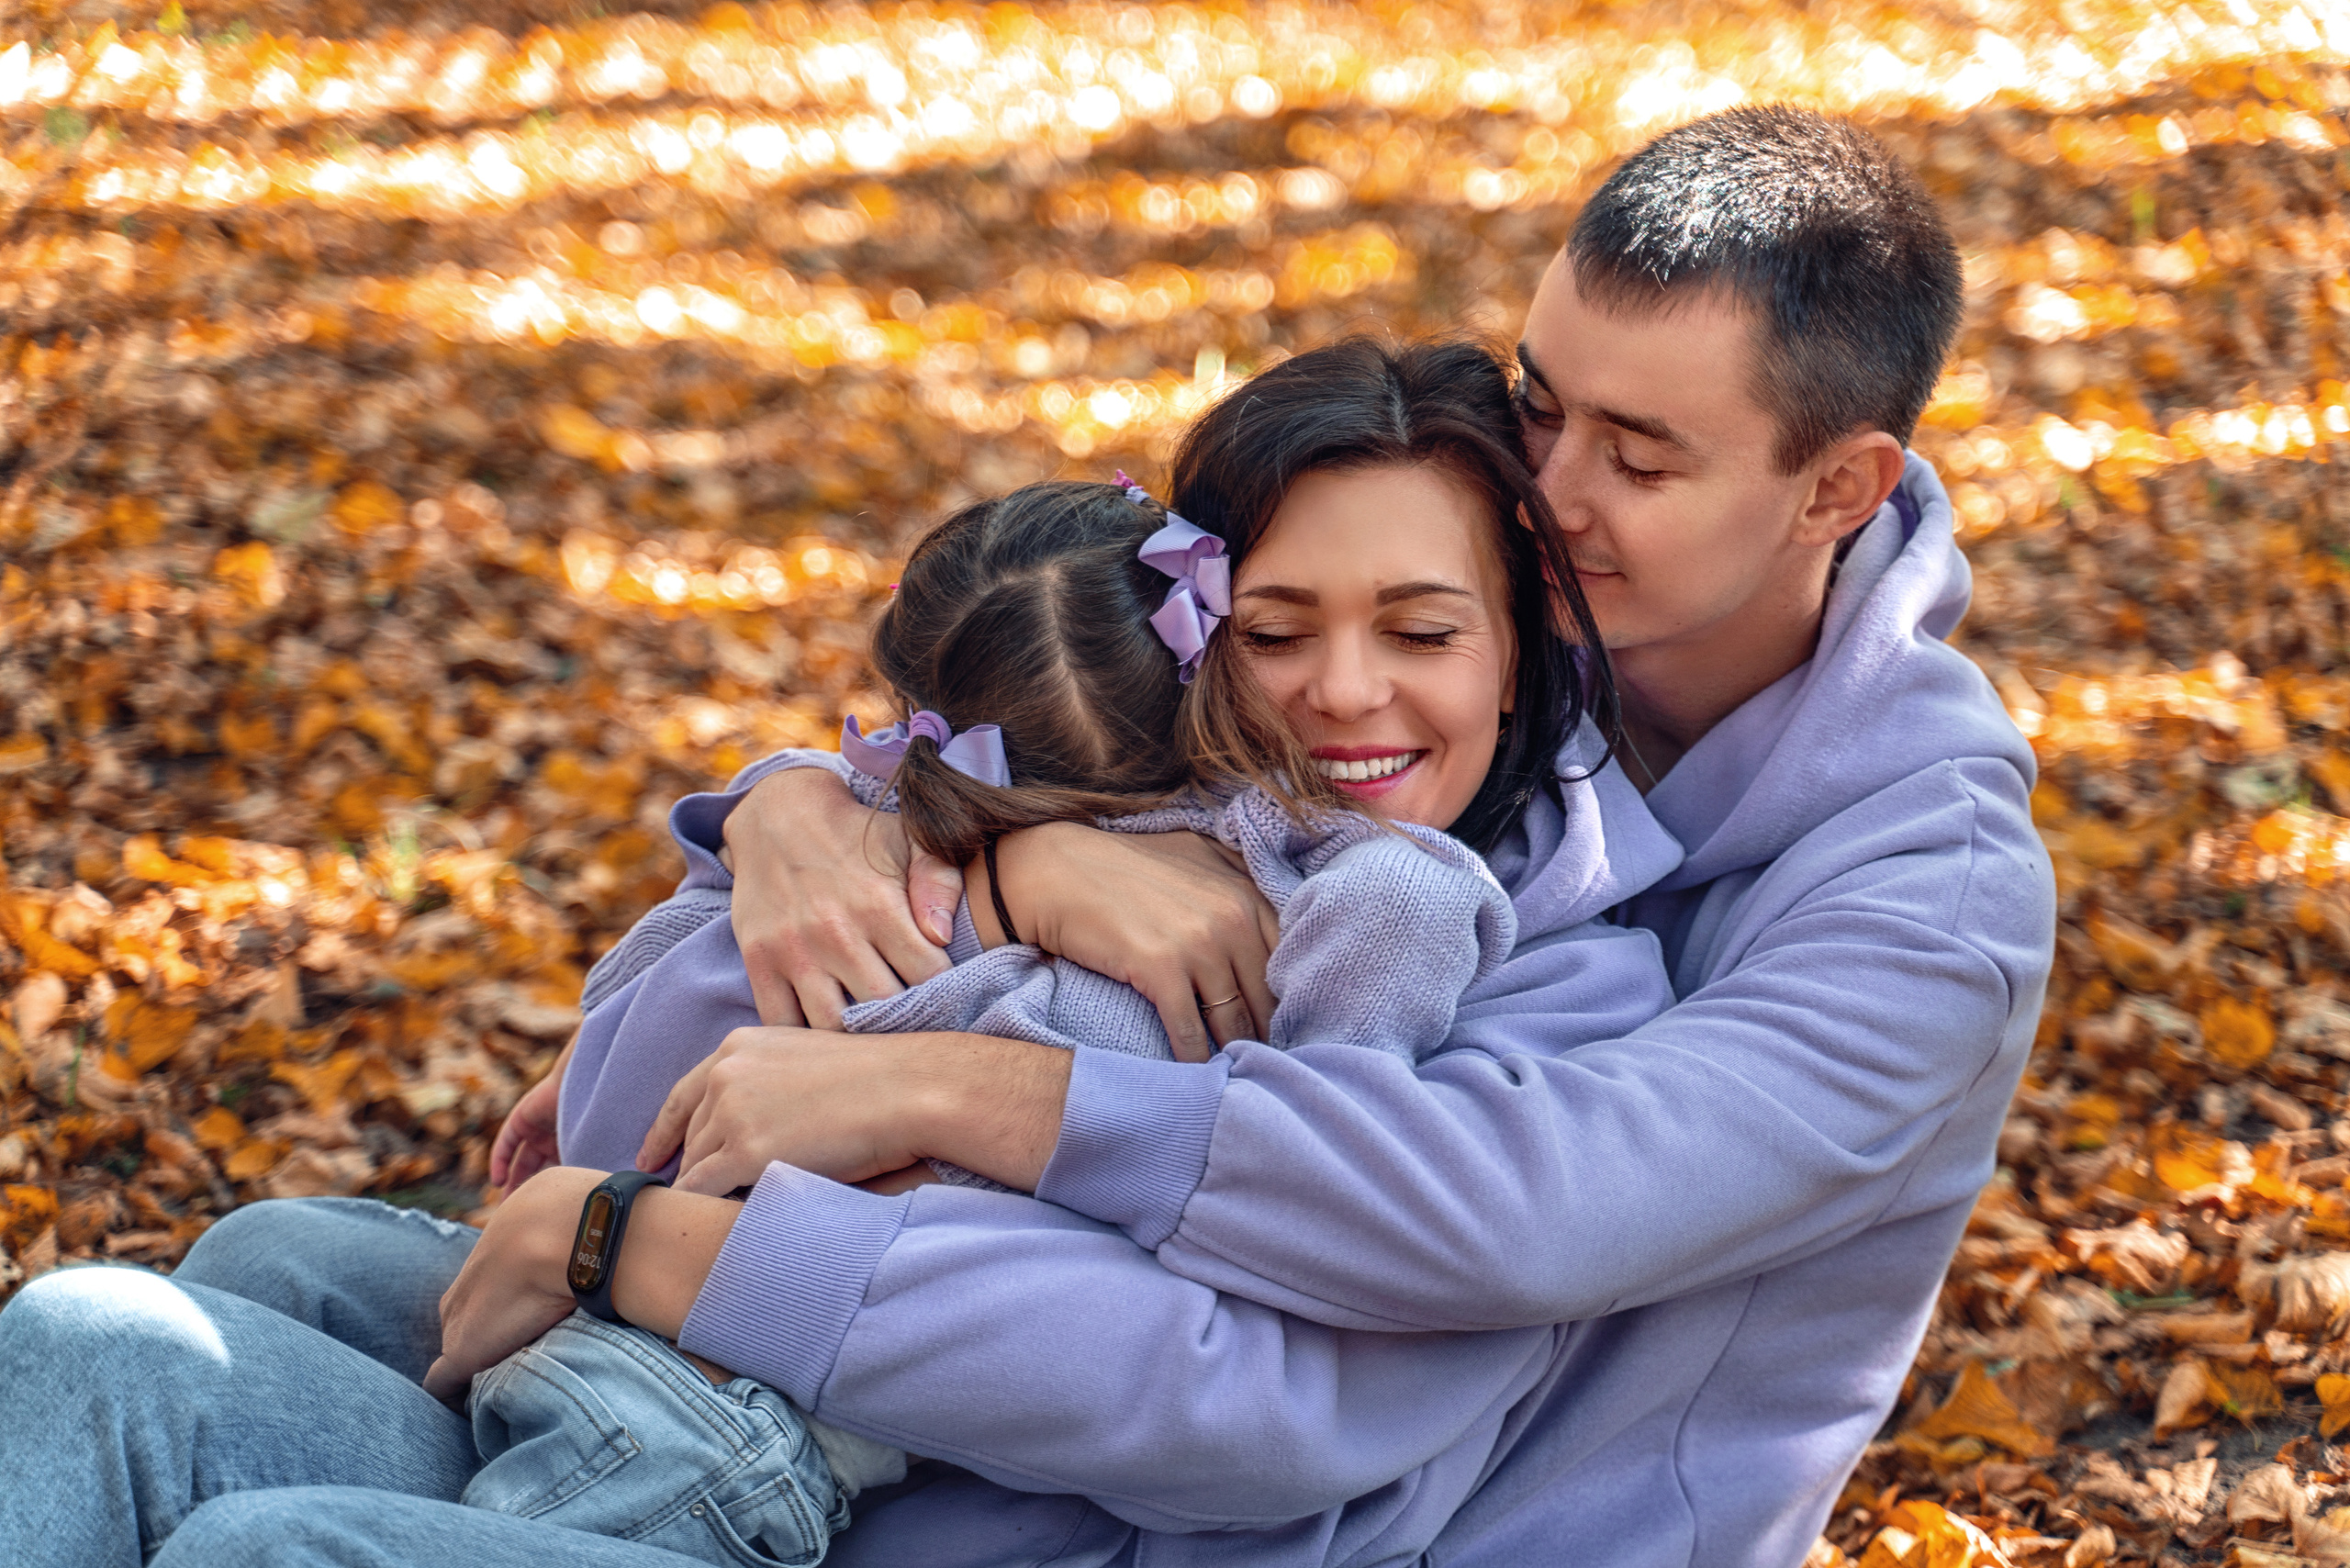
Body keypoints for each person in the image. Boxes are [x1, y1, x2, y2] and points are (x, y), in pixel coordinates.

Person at [0, 106, 2054, 1568]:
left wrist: (849, 1142)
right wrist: (878, 824)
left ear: (1833, 485)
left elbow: (1476, 1236)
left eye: (1636, 452)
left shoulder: (1894, 900)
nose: (1552, 484)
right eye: (1537, 407)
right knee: (96, 1343)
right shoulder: (1492, 674)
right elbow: (1048, 716)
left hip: (1263, 1510)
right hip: (893, 1453)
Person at [0, 338, 1679, 1567]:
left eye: (1424, 630)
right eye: (1275, 631)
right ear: (1190, 641)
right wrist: (878, 828)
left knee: (272, 1552)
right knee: (99, 1337)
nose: (1343, 693)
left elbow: (1254, 1393)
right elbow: (951, 775)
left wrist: (640, 1242)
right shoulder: (1129, 836)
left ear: (1521, 648)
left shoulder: (1542, 984)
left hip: (812, 1465)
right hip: (713, 1395)